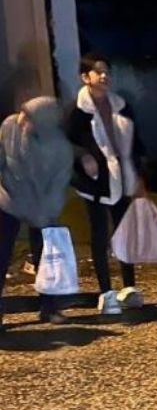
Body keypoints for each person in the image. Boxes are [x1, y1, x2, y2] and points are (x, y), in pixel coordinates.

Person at [68, 53, 148, 315]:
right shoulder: (76, 110)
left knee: (124, 232)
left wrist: (139, 174)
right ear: (85, 77)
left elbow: (136, 143)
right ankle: (106, 291)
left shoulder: (121, 105)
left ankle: (129, 286)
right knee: (100, 234)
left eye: (107, 72)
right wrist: (83, 156)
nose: (104, 76)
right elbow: (66, 143)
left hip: (122, 176)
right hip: (94, 182)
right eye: (98, 71)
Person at [0, 97, 73, 330]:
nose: (21, 120)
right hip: (9, 199)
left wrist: (45, 214)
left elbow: (58, 187)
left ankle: (50, 307)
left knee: (46, 258)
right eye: (22, 113)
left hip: (41, 206)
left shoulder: (60, 149)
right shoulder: (9, 127)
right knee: (1, 255)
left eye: (28, 118)